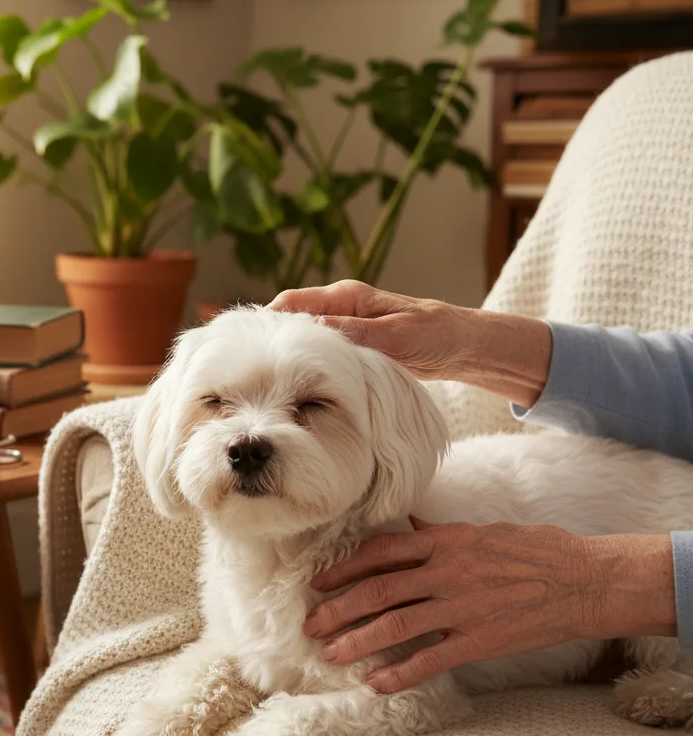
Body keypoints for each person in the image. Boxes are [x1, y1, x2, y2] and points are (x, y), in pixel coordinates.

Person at [269, 280, 693, 694]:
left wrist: (597, 580)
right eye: (217, 404)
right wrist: (462, 339)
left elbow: (403, 698)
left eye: (310, 406)